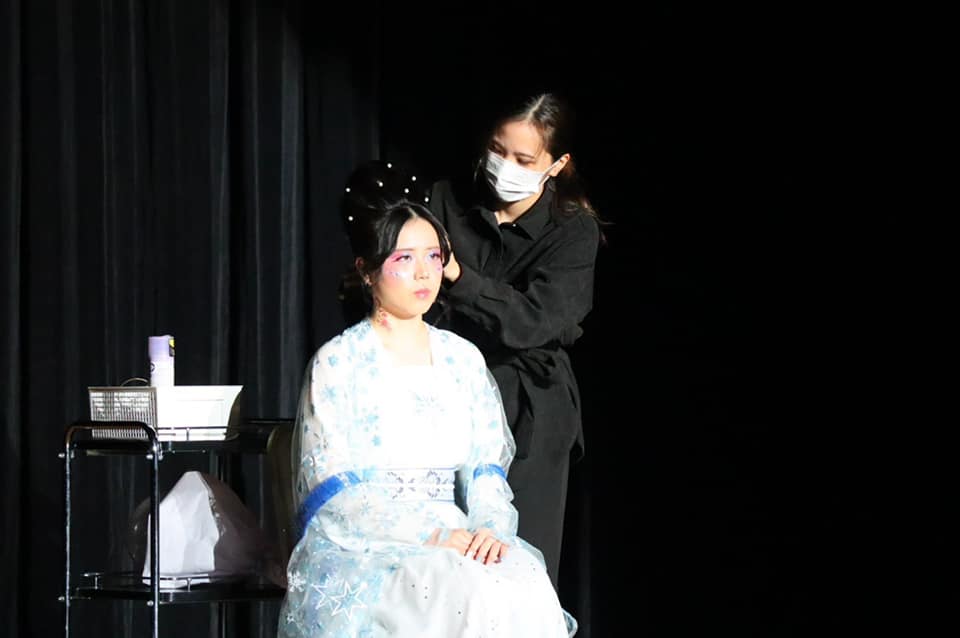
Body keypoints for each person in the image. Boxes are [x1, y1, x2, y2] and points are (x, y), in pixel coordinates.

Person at [278, 160, 576, 637]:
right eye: (404, 259)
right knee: (459, 592)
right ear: (367, 271)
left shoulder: (462, 359)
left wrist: (490, 530)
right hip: (372, 544)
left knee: (522, 581)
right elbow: (332, 488)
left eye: (433, 256)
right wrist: (429, 536)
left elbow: (486, 470)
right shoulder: (339, 363)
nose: (423, 273)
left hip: (459, 534)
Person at [427, 92, 603, 588]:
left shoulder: (573, 231)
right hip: (442, 401)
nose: (505, 167)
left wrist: (460, 279)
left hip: (528, 410)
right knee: (440, 574)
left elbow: (533, 321)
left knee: (516, 572)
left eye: (524, 160)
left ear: (557, 165)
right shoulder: (444, 200)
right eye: (497, 150)